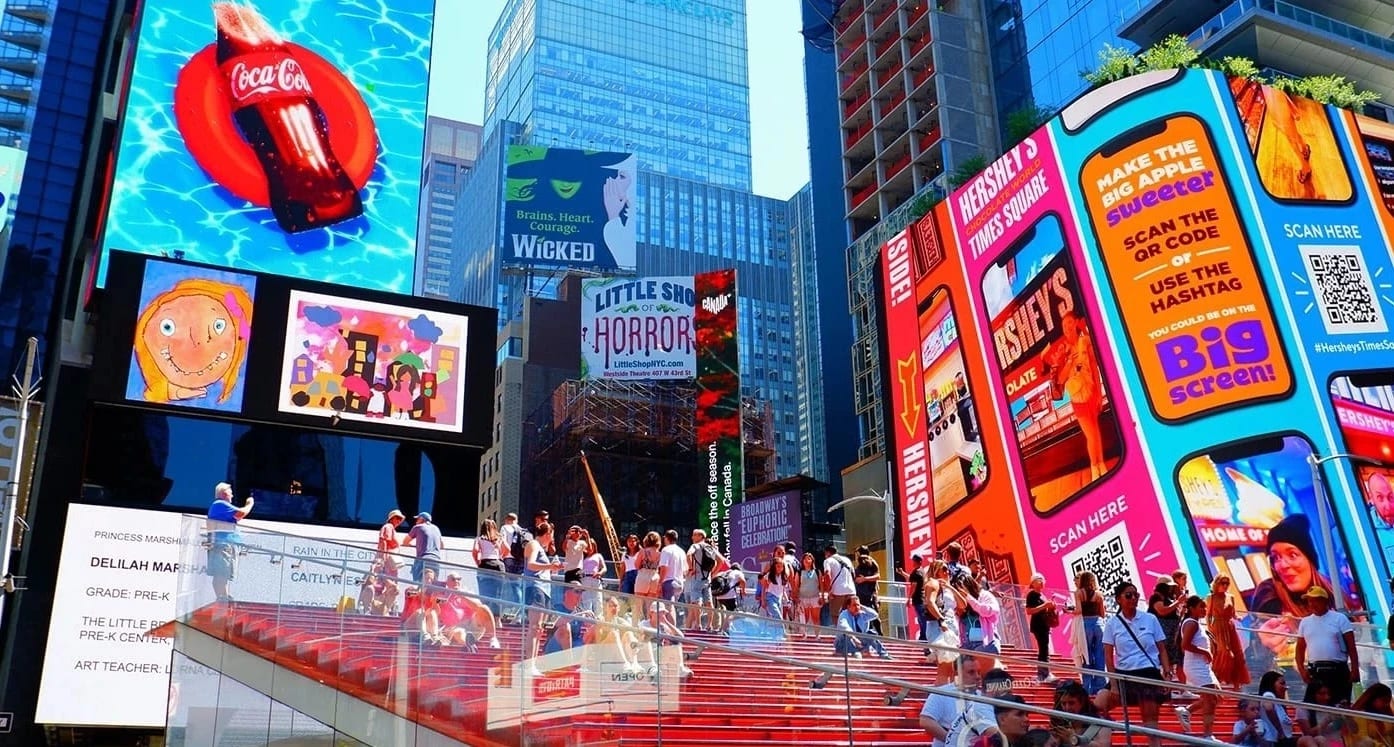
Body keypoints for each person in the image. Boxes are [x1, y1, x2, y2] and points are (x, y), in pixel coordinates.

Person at [1099, 581, 1174, 747]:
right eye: (1128, 595)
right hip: (1123, 673)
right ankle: (1102, 735)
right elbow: (1108, 656)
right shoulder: (1112, 623)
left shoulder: (1150, 618)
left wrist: (1168, 675)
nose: (1133, 598)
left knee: (1151, 725)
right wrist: (1113, 685)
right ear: (1119, 599)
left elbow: (1162, 649)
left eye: (1136, 595)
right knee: (1097, 704)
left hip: (1147, 672)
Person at [1294, 586, 1358, 706]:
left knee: (1340, 705)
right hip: (1315, 670)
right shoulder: (1305, 622)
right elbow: (1300, 649)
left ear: (1324, 601)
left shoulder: (1339, 618)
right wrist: (1302, 670)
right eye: (1309, 601)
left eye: (1315, 600)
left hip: (1337, 669)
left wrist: (1354, 669)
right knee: (1313, 707)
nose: (1312, 604)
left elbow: (1351, 646)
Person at [1179, 595, 1221, 739]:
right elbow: (1184, 645)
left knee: (1217, 696)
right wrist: (1204, 651)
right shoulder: (1191, 623)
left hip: (1202, 665)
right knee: (1210, 699)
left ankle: (1187, 711)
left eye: (1205, 606)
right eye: (1201, 607)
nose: (1204, 609)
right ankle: (1208, 734)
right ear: (1191, 609)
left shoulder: (1196, 623)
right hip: (1195, 666)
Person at [921, 655, 983, 747]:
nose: (978, 677)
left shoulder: (983, 696)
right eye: (971, 672)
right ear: (957, 674)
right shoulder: (941, 693)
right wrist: (952, 741)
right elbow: (926, 721)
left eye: (979, 672)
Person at [206, 482, 253, 602]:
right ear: (224, 493)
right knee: (222, 573)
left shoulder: (219, 506)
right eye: (230, 493)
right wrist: (250, 503)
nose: (232, 496)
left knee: (223, 574)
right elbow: (240, 513)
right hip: (223, 544)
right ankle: (222, 598)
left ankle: (224, 597)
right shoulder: (220, 504)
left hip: (223, 544)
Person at [1208, 574, 1252, 689]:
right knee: (1224, 652)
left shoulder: (1230, 597)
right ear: (1217, 584)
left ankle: (1234, 681)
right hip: (1217, 626)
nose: (1225, 586)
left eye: (1227, 583)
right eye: (1223, 583)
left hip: (1229, 626)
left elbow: (1233, 613)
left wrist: (1238, 617)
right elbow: (1208, 615)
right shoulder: (1211, 597)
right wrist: (1210, 628)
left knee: (1238, 654)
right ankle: (1218, 676)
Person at [1050, 680, 1113, 747]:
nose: (1067, 708)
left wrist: (1075, 739)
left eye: (1071, 703)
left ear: (1082, 702)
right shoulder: (1059, 724)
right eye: (1063, 703)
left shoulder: (1101, 723)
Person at [1074, 571, 1107, 695]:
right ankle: (1100, 686)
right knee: (1100, 656)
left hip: (1085, 624)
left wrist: (1069, 611)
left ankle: (1087, 687)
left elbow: (1079, 610)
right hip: (1098, 625)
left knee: (1086, 656)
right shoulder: (1099, 594)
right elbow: (1103, 614)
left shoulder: (1079, 593)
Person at [1026, 573, 1057, 682]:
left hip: (1045, 625)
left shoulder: (1042, 595)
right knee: (1043, 649)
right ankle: (1044, 673)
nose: (1041, 582)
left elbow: (1044, 610)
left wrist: (1051, 606)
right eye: (1039, 580)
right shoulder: (1032, 595)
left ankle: (1043, 673)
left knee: (1044, 649)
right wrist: (1045, 605)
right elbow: (1029, 610)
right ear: (1033, 583)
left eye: (1042, 580)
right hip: (1038, 626)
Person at [1256, 670, 1298, 747]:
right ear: (1271, 684)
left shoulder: (1278, 703)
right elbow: (1269, 708)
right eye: (1282, 683)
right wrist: (1280, 731)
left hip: (1282, 741)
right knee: (1307, 740)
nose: (1285, 687)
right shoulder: (1268, 695)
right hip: (1272, 741)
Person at [473, 518, 506, 614]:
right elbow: (507, 548)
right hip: (498, 564)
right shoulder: (499, 538)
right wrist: (501, 556)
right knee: (498, 594)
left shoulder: (479, 539)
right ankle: (497, 619)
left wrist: (477, 562)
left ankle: (486, 617)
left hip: (485, 564)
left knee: (485, 593)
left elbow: (475, 550)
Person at [401, 512, 444, 584]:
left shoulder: (418, 527)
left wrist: (413, 545)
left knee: (418, 582)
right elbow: (442, 546)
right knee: (433, 585)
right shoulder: (436, 528)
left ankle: (420, 594)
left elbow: (405, 542)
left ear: (422, 519)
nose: (416, 522)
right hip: (436, 560)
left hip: (423, 559)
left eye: (417, 519)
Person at [824, 545, 857, 619]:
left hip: (837, 592)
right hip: (851, 591)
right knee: (851, 615)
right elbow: (853, 574)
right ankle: (850, 630)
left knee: (835, 615)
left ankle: (839, 630)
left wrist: (828, 591)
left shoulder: (828, 561)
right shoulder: (847, 560)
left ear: (827, 553)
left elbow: (827, 575)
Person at [798, 551, 825, 638]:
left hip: (815, 597)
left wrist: (822, 596)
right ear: (802, 561)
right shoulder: (799, 572)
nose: (806, 560)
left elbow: (821, 585)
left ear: (812, 561)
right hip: (803, 598)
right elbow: (796, 585)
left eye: (809, 559)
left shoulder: (817, 572)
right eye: (805, 559)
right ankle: (804, 634)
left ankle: (817, 635)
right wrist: (796, 597)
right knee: (804, 618)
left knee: (815, 618)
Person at [658, 529, 687, 604]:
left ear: (666, 538)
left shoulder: (666, 550)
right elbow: (685, 570)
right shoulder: (681, 551)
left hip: (668, 582)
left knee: (668, 607)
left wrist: (660, 583)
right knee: (673, 607)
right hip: (680, 583)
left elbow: (664, 567)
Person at [854, 545, 880, 610]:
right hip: (860, 591)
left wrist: (864, 579)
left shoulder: (872, 562)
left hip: (869, 592)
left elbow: (877, 576)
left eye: (858, 553)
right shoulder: (859, 563)